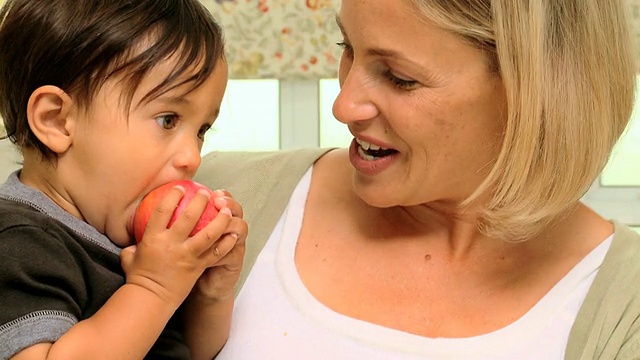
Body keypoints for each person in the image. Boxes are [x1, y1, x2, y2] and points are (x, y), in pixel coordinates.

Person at [193, 0, 640, 358]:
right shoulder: (216, 198)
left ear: (536, 91)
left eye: (400, 78)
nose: (344, 106)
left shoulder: (625, 309)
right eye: (347, 46)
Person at [0, 0, 247, 359]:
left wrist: (210, 294)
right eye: (168, 120)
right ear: (56, 120)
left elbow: (196, 352)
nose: (192, 157)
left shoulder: (135, 237)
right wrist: (153, 289)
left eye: (201, 130)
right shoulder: (20, 240)